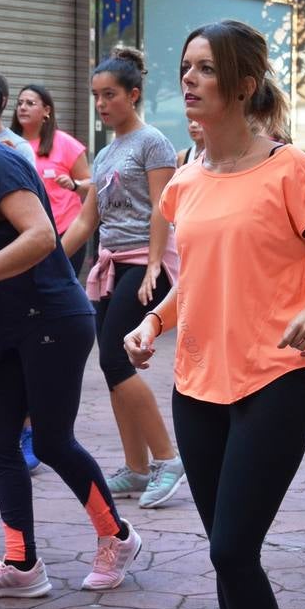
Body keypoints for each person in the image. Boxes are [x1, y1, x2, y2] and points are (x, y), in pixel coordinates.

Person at [123, 20, 305, 609]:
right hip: (196, 387)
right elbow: (195, 282)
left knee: (232, 549)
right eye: (186, 67)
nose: (189, 80)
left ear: (243, 84)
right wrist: (154, 324)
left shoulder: (291, 171)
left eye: (204, 69)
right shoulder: (187, 180)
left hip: (274, 382)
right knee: (229, 556)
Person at [0, 69, 141, 599]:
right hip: (7, 325)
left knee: (50, 439)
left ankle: (118, 536)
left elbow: (41, 236)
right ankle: (22, 564)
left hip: (51, 322)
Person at [70, 47, 186, 509]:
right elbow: (85, 222)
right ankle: (136, 468)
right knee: (111, 364)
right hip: (111, 265)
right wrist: (47, 259)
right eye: (96, 96)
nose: (101, 104)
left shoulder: (152, 142)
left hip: (145, 263)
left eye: (110, 95)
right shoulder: (103, 155)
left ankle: (167, 459)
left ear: (133, 95)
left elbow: (164, 207)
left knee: (117, 362)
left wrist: (156, 263)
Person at [11, 84, 91, 273]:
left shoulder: (64, 142)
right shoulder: (7, 144)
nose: (23, 107)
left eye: (30, 103)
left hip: (65, 231)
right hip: (23, 233)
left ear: (46, 110)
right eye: (20, 103)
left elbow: (91, 184)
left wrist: (74, 185)